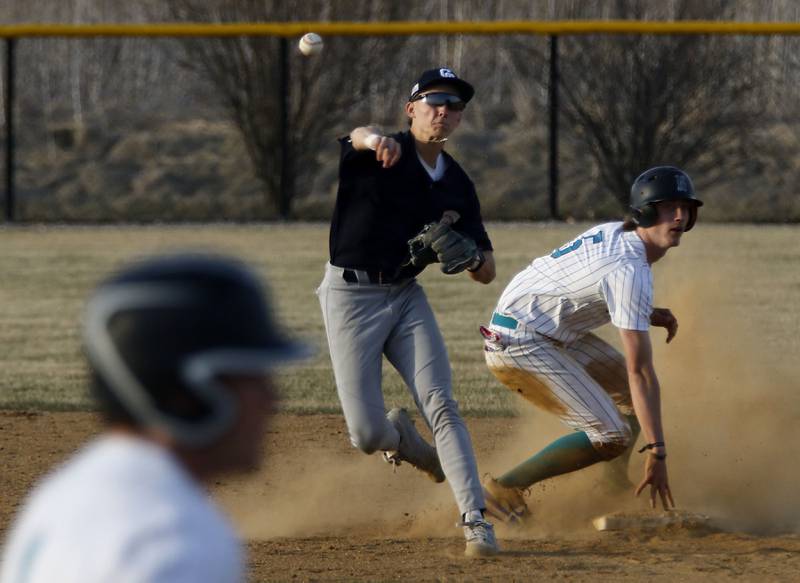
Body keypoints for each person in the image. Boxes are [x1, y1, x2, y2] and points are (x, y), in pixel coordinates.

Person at [0, 253, 312, 583]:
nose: (272, 399)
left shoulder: (68, 491)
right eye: (252, 379)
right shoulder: (172, 540)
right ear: (188, 393)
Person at [317, 67, 498, 556]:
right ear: (411, 108)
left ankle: (475, 520)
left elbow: (488, 271)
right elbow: (354, 136)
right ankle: (413, 448)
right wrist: (374, 138)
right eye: (434, 100)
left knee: (442, 402)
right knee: (368, 433)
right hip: (351, 296)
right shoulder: (377, 154)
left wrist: (473, 259)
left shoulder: (457, 184)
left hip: (404, 296)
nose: (444, 110)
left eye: (454, 105)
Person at [479, 166, 703, 525]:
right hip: (520, 343)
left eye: (686, 208)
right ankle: (503, 488)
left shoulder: (617, 233)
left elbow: (577, 285)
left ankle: (610, 486)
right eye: (667, 207)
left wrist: (643, 310)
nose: (679, 216)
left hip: (541, 330)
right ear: (644, 212)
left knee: (627, 403)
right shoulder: (629, 268)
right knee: (612, 434)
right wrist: (657, 451)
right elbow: (640, 371)